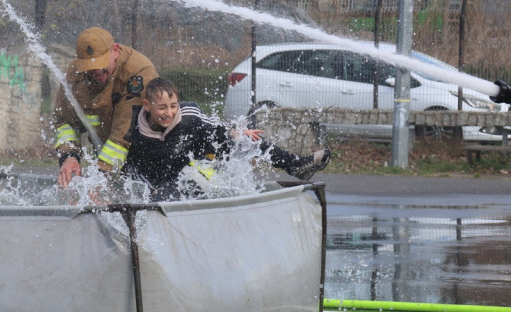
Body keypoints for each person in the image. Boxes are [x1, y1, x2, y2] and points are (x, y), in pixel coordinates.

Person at [122, 77, 331, 200]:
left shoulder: (188, 115)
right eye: (162, 108)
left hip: (200, 149)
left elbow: (214, 124)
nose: (169, 113)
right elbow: (133, 168)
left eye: (173, 105)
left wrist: (235, 132)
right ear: (147, 106)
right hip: (169, 176)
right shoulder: (138, 136)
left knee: (247, 139)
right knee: (166, 190)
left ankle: (295, 165)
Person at [54, 27, 158, 187]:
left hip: (148, 155)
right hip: (106, 154)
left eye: (101, 64)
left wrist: (100, 180)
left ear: (115, 51)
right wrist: (70, 155)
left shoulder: (137, 73)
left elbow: (124, 133)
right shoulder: (74, 76)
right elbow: (63, 121)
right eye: (89, 66)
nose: (96, 71)